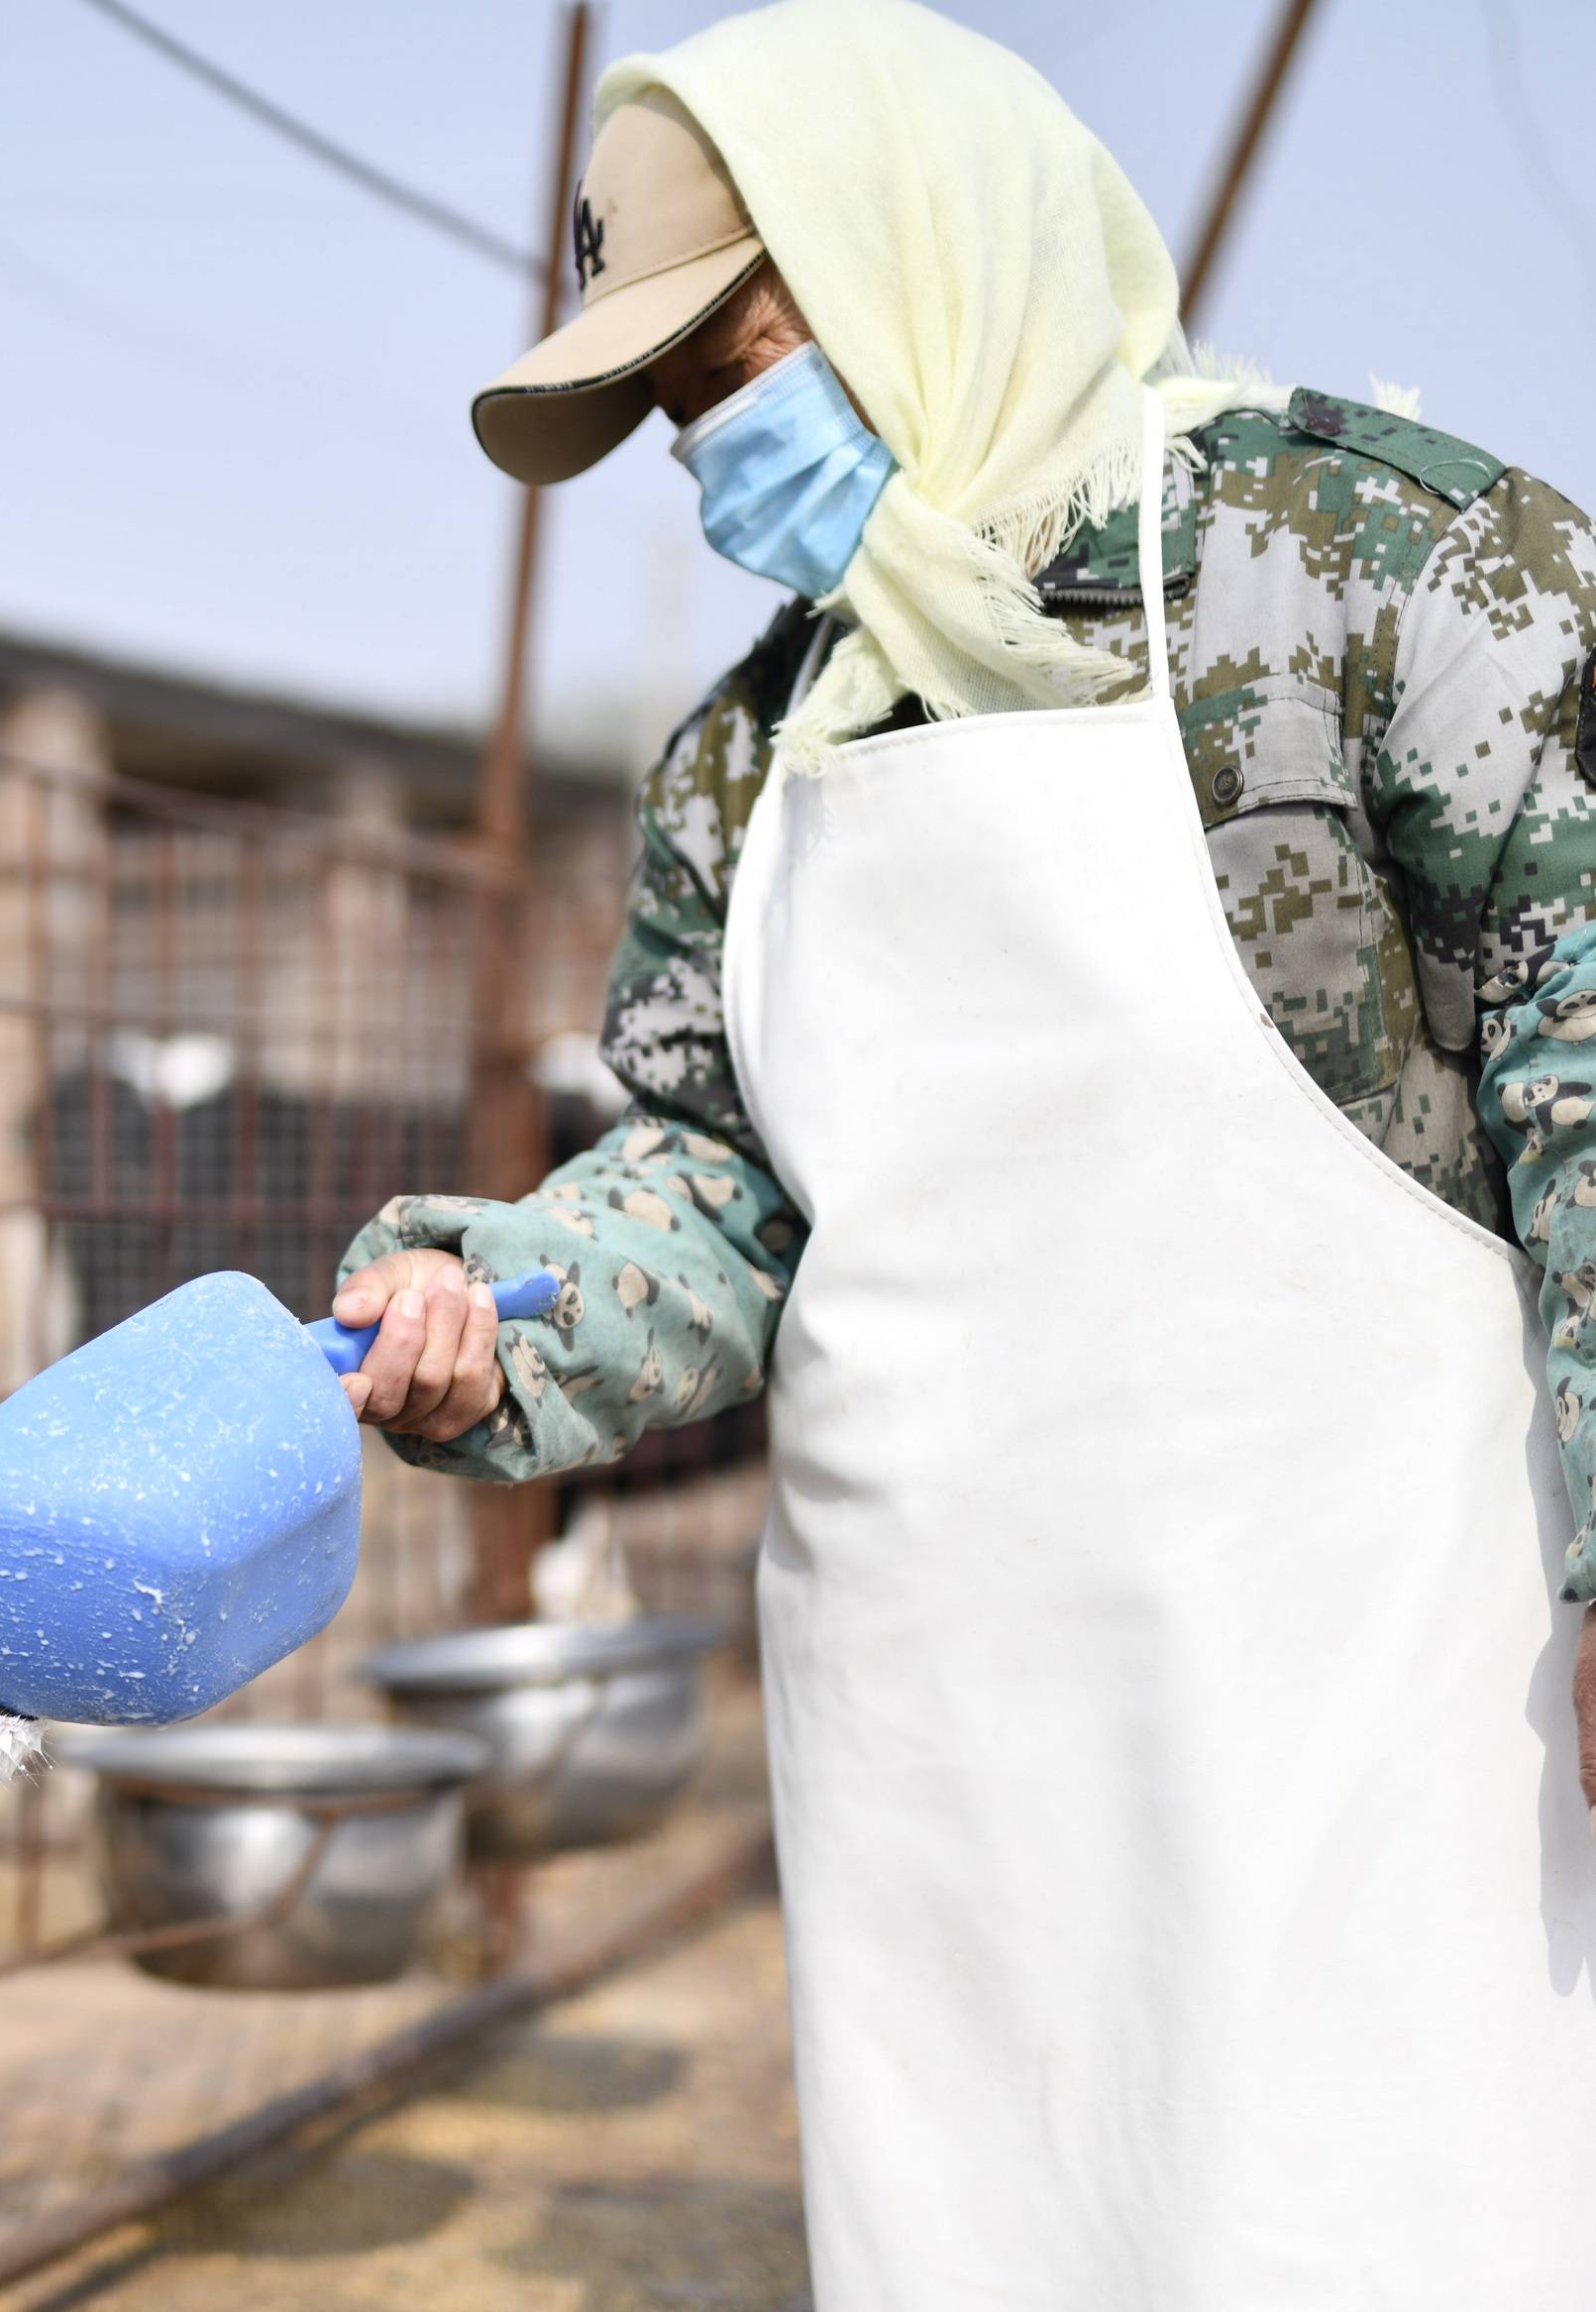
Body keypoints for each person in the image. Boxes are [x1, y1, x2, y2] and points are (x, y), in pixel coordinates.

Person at [330, 2, 1596, 2302]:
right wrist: (494, 1314)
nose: (707, 446)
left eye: (728, 357)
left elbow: (1586, 1060)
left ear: (930, 254)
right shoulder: (751, 760)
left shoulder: (1368, 572)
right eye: (664, 409)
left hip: (1362, 1682)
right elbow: (720, 1179)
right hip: (940, 1728)